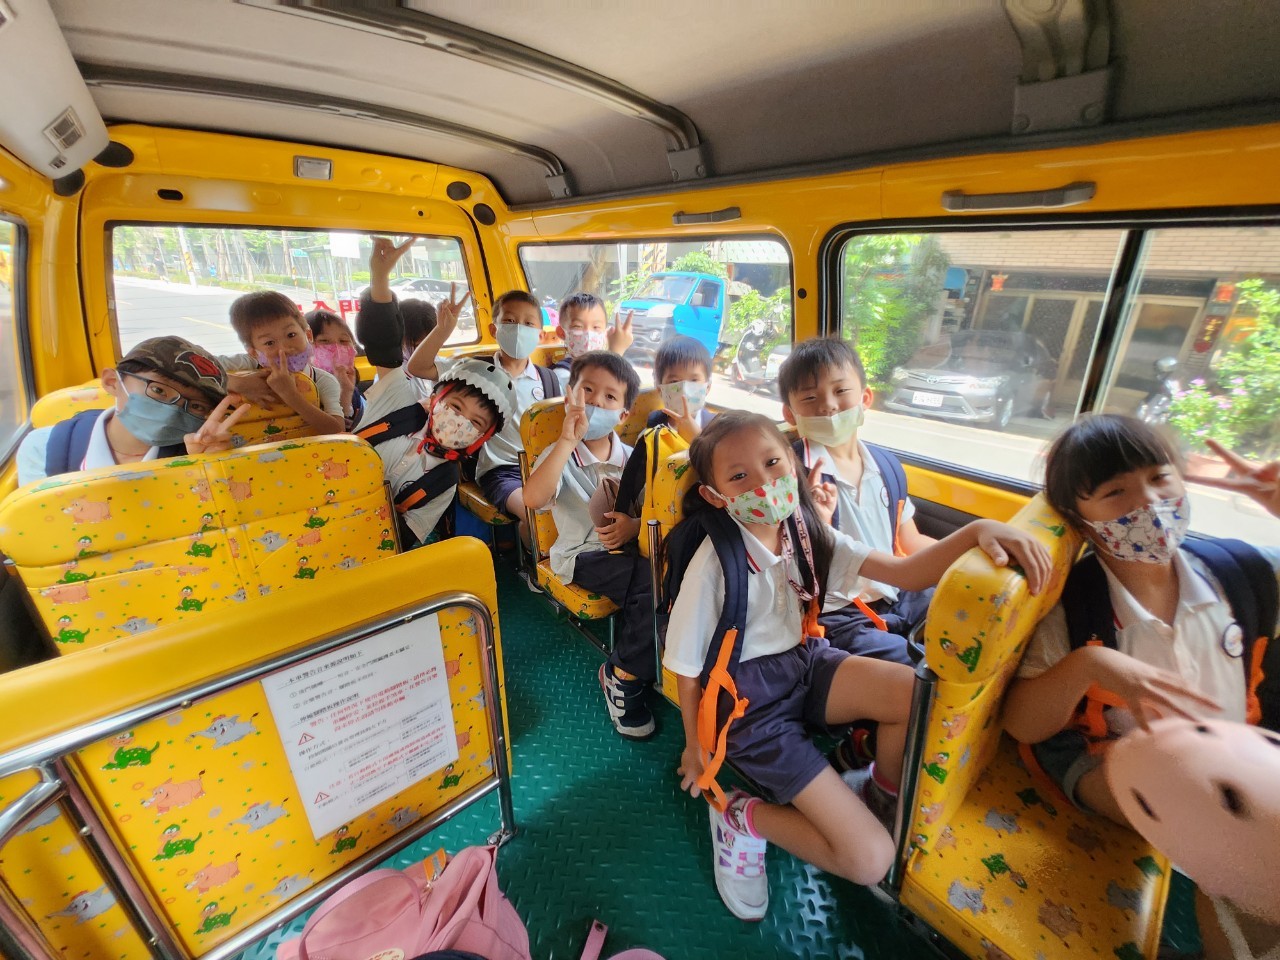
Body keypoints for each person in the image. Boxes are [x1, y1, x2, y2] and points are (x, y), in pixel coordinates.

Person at [665, 411, 1050, 920]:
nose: (763, 482)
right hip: (749, 707)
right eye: (739, 476)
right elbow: (687, 668)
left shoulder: (805, 531)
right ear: (717, 497)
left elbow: (906, 572)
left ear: (793, 465)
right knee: (870, 860)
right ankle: (741, 816)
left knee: (917, 693)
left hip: (805, 661)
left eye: (773, 462)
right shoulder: (714, 566)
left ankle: (878, 791)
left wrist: (977, 531)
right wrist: (696, 748)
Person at [1003, 417, 1280, 953]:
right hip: (1110, 761)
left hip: (1233, 747)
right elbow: (1023, 724)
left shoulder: (1241, 572)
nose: (1148, 503)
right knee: (1227, 831)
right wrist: (1091, 665)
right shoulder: (1074, 607)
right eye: (1116, 493)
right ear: (1079, 520)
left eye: (1159, 478)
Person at [521, 352, 658, 737]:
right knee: (650, 583)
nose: (596, 402)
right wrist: (567, 440)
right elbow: (533, 499)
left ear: (624, 415)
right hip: (581, 554)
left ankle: (651, 654)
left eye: (610, 397)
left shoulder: (632, 458)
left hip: (626, 551)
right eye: (588, 392)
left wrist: (632, 527)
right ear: (570, 397)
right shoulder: (557, 454)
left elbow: (647, 510)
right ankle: (622, 674)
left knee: (668, 573)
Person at [779, 338, 936, 666]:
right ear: (790, 413)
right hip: (839, 615)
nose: (828, 406)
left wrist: (966, 559)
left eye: (840, 391)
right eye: (810, 398)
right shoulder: (789, 475)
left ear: (865, 398)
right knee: (923, 672)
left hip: (896, 594)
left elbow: (909, 541)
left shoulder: (887, 466)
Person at [422, 289, 562, 538]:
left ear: (540, 335)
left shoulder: (548, 379)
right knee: (536, 513)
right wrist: (442, 330)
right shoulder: (473, 370)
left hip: (544, 466)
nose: (518, 329)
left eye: (528, 323)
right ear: (494, 329)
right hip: (500, 471)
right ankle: (534, 556)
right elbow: (419, 367)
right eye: (509, 321)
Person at [16, 336, 249, 485]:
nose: (172, 411)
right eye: (158, 390)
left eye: (196, 406)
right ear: (112, 382)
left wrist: (204, 468)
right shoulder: (47, 448)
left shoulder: (210, 449)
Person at [354, 355, 514, 549]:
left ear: (481, 438)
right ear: (434, 399)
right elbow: (382, 348)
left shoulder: (444, 483)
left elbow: (402, 539)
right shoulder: (398, 406)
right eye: (456, 407)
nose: (460, 422)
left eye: (475, 422)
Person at [224, 291, 346, 433]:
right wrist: (238, 383)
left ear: (308, 335)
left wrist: (290, 395)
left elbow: (338, 431)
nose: (285, 349)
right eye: (269, 343)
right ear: (253, 352)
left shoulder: (323, 381)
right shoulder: (246, 364)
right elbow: (200, 372)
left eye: (291, 335)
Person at [647, 334, 715, 442]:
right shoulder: (655, 421)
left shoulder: (715, 427)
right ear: (660, 390)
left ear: (707, 387)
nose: (684, 390)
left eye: (694, 380)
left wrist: (697, 439)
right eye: (674, 381)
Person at [305, 308, 363, 428]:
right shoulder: (304, 388)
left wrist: (346, 392)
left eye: (343, 341)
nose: (337, 348)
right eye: (324, 341)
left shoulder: (353, 391)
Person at [550, 293, 633, 375]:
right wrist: (616, 351)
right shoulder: (562, 374)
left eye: (596, 327)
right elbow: (603, 382)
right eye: (578, 326)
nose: (588, 334)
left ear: (605, 333)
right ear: (562, 333)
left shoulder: (600, 365)